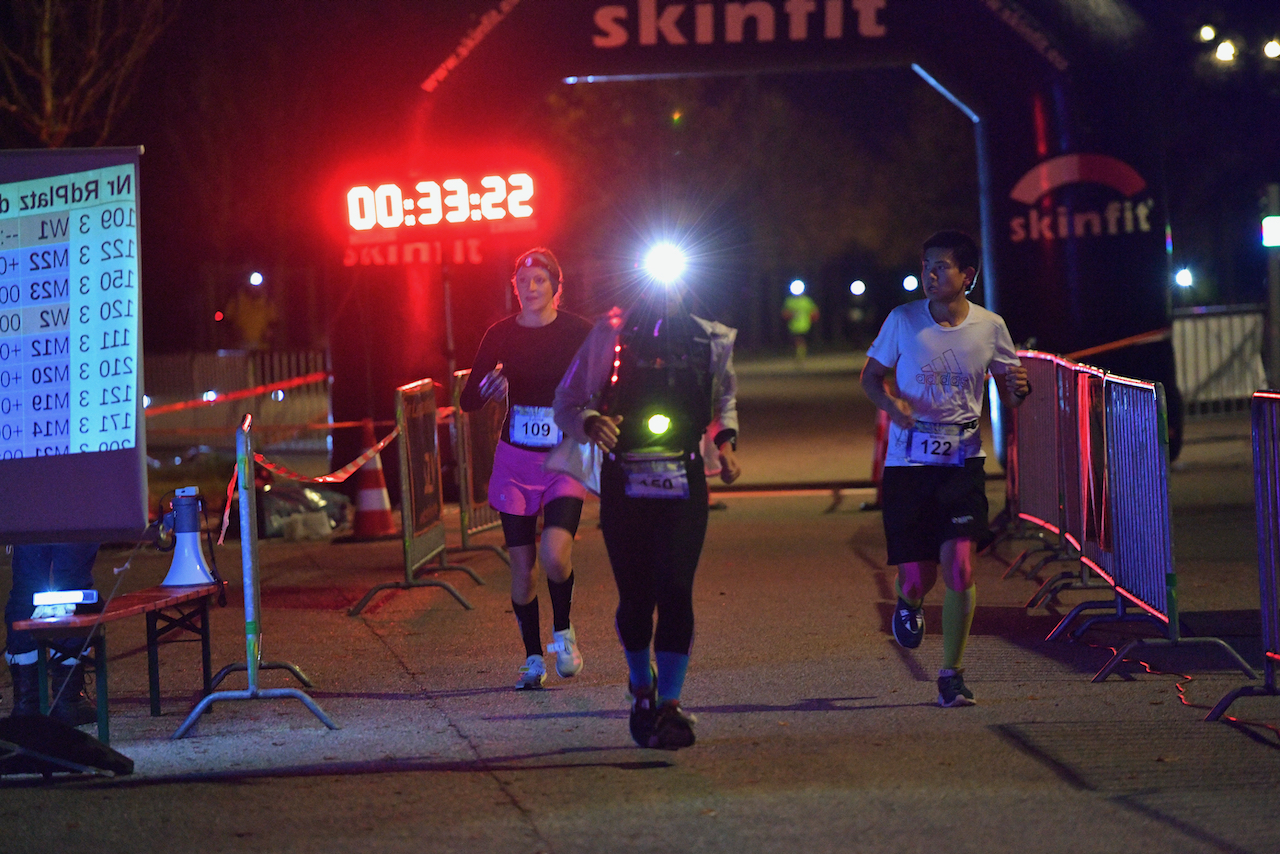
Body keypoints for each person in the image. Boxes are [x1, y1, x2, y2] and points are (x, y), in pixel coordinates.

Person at [553, 279, 741, 750]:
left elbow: (724, 401)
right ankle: (642, 687)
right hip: (626, 481)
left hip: (684, 478)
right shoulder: (611, 334)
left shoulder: (712, 338)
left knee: (676, 587)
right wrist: (590, 421)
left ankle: (671, 706)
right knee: (636, 597)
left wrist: (726, 444)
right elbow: (567, 403)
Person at [858, 230, 1030, 707]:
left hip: (962, 463)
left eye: (942, 266)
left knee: (960, 565)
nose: (930, 275)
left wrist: (1019, 386)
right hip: (908, 465)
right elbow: (870, 378)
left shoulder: (990, 327)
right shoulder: (903, 320)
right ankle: (908, 600)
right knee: (920, 577)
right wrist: (892, 407)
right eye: (926, 266)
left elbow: (1011, 396)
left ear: (967, 276)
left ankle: (951, 673)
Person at [459, 248, 593, 690]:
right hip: (515, 461)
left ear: (557, 286)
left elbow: (606, 385)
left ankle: (564, 633)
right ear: (514, 286)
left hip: (563, 459)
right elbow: (468, 400)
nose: (531, 289)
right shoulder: (499, 334)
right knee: (523, 569)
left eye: (540, 281)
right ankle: (533, 658)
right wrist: (488, 387)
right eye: (523, 281)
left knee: (556, 554)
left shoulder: (579, 332)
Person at [5, 542, 100, 725]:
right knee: (73, 589)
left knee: (25, 590)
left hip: (28, 514)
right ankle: (68, 701)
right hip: (75, 513)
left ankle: (27, 702)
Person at [782, 280, 819, 362]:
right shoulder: (790, 301)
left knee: (800, 341)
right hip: (793, 326)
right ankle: (799, 355)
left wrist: (813, 318)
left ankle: (800, 356)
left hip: (805, 326)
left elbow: (814, 312)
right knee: (798, 342)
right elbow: (785, 313)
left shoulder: (806, 301)